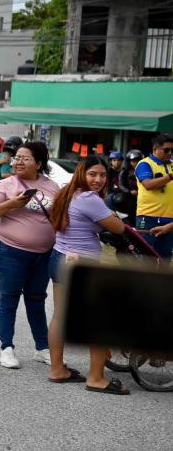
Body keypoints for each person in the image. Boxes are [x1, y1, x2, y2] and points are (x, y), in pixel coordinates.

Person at [45, 157, 129, 394]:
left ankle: (57, 370)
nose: (99, 180)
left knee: (60, 317)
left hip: (60, 257)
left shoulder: (67, 193)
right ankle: (96, 378)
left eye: (103, 175)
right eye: (93, 174)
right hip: (82, 263)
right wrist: (110, 216)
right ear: (82, 173)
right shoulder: (90, 199)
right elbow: (119, 228)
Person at [0, 141, 59, 369]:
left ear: (39, 163)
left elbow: (59, 216)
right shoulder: (6, 184)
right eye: (17, 158)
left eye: (25, 158)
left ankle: (42, 348)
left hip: (44, 254)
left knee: (37, 299)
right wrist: (13, 203)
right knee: (10, 298)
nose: (18, 162)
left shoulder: (53, 186)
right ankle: (7, 349)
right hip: (10, 251)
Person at [134, 133, 173, 261]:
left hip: (169, 219)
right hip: (148, 217)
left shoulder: (171, 164)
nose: (170, 153)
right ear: (155, 149)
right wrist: (170, 176)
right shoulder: (145, 164)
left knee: (165, 257)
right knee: (145, 257)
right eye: (166, 150)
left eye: (172, 150)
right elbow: (148, 184)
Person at [120, 149, 143, 227]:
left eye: (137, 161)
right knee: (132, 213)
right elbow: (121, 185)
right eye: (133, 161)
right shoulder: (125, 171)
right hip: (130, 197)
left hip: (143, 196)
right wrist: (130, 192)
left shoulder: (145, 171)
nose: (135, 163)